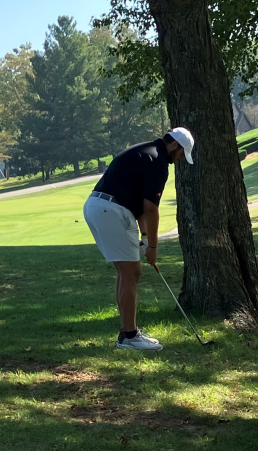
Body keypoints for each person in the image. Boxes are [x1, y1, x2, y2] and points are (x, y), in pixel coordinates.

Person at [83, 127, 195, 351]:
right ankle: (130, 336)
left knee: (126, 272)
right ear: (174, 145)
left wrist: (144, 237)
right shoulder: (158, 162)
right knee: (132, 272)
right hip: (112, 211)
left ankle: (127, 332)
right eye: (182, 154)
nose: (180, 159)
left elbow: (142, 207)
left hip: (98, 206)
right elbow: (151, 209)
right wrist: (153, 246)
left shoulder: (145, 150)